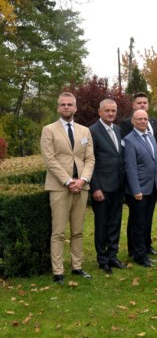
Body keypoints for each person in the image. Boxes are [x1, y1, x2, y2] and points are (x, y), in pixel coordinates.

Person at [41, 92, 95, 283]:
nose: (66, 107)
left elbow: (89, 158)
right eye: (63, 104)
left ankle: (77, 267)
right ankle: (58, 271)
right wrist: (67, 181)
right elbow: (50, 159)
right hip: (59, 187)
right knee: (58, 232)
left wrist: (83, 180)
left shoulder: (84, 131)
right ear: (58, 108)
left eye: (69, 104)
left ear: (75, 108)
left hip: (81, 187)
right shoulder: (49, 130)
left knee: (78, 230)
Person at [89, 99, 126, 274]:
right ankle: (102, 259)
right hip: (102, 188)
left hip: (118, 186)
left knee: (115, 223)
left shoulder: (118, 130)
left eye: (113, 110)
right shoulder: (92, 132)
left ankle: (113, 256)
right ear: (100, 112)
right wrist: (95, 187)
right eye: (107, 111)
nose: (111, 113)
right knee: (102, 224)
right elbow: (90, 162)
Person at [123, 109, 157, 267]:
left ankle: (143, 249)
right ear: (133, 121)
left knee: (146, 222)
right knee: (138, 225)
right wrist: (136, 190)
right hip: (138, 190)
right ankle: (140, 256)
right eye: (139, 119)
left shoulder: (151, 137)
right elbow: (130, 168)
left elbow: (155, 163)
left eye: (145, 119)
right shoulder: (129, 140)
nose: (143, 122)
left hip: (151, 188)